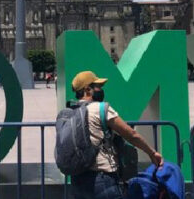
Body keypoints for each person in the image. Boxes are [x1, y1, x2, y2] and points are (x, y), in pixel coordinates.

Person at [69, 71, 163, 199]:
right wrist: (152, 153)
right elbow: (131, 134)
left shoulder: (70, 113)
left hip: (77, 180)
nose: (100, 90)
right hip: (102, 179)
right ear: (87, 89)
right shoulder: (99, 108)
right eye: (98, 87)